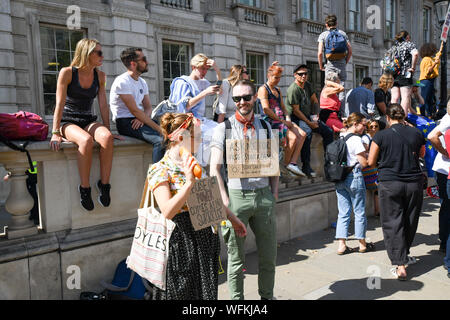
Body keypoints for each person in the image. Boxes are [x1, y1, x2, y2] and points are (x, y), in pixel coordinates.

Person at [146, 112, 246, 300]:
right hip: (180, 243)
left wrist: (234, 219)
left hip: (203, 240)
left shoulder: (195, 164)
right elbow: (167, 211)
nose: (201, 142)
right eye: (198, 137)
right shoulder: (160, 169)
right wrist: (188, 183)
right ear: (182, 137)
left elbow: (210, 199)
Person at [210, 79, 279, 300]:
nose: (242, 102)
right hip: (236, 197)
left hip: (263, 196)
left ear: (254, 98)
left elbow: (274, 163)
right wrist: (225, 200)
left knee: (268, 256)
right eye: (237, 98)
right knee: (235, 258)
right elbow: (214, 168)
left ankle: (266, 297)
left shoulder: (266, 126)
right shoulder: (224, 128)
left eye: (246, 97)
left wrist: (274, 193)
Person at [51, 38, 115, 211]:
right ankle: (85, 188)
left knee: (107, 138)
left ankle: (104, 185)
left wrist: (107, 128)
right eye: (99, 53)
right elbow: (59, 103)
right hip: (68, 121)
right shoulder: (67, 72)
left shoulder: (100, 76)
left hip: (87, 119)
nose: (102, 56)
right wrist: (55, 131)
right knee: (86, 141)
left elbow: (103, 104)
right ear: (87, 53)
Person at [368, 104, 426, 281]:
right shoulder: (416, 133)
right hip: (413, 183)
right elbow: (422, 154)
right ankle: (405, 253)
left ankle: (400, 264)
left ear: (387, 118)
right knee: (410, 219)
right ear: (404, 116)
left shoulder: (381, 135)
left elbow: (370, 161)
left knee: (393, 222)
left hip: (390, 182)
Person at [110, 47, 165, 163]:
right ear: (133, 64)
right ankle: (156, 178)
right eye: (144, 59)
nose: (147, 62)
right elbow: (134, 111)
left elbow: (148, 108)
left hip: (140, 119)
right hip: (126, 122)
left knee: (173, 133)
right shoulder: (122, 82)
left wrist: (143, 118)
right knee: (160, 140)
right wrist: (159, 129)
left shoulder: (142, 82)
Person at [169, 53, 222, 166]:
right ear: (194, 67)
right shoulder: (182, 82)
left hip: (199, 120)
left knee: (221, 130)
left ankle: (211, 167)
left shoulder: (203, 82)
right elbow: (183, 107)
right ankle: (201, 166)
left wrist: (217, 70)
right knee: (207, 136)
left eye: (207, 69)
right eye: (202, 69)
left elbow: (220, 90)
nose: (205, 72)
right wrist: (205, 92)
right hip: (186, 122)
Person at [334, 113, 374, 255]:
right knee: (359, 211)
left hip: (339, 177)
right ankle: (362, 244)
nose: (365, 127)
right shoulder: (356, 140)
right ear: (355, 124)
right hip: (354, 176)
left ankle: (341, 245)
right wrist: (368, 157)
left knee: (343, 212)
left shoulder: (341, 136)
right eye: (364, 124)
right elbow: (363, 163)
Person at [285, 64, 334, 177]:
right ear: (295, 75)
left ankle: (330, 162)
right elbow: (296, 111)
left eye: (306, 74)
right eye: (300, 74)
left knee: (328, 132)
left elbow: (315, 101)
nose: (304, 76)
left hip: (308, 116)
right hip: (295, 118)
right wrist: (309, 123)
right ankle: (306, 166)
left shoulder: (308, 85)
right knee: (307, 133)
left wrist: (316, 117)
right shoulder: (293, 89)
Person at [258, 62, 306, 176]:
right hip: (271, 121)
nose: (278, 80)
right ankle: (285, 166)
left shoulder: (278, 90)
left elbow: (283, 107)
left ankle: (292, 163)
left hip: (281, 120)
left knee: (303, 134)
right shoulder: (263, 89)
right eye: (276, 77)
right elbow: (266, 110)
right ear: (269, 76)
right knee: (293, 138)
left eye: (279, 77)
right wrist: (282, 121)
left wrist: (287, 118)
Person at [427, 101, 450, 255]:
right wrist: (445, 152)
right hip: (444, 169)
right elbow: (431, 136)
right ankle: (444, 241)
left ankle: (444, 241)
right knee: (446, 207)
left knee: (446, 206)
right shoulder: (448, 119)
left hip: (443, 169)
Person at [317, 14, 352, 103]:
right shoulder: (343, 34)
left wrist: (321, 66)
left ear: (326, 25)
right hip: (342, 64)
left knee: (329, 88)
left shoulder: (323, 35)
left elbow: (320, 53)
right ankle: (342, 113)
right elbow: (350, 51)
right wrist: (345, 62)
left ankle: (331, 111)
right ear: (336, 23)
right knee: (342, 88)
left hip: (330, 64)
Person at [389, 31, 419, 117]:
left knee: (394, 97)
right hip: (405, 74)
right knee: (405, 96)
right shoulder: (409, 45)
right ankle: (402, 118)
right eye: (409, 37)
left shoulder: (394, 47)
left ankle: (392, 116)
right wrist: (413, 67)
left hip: (394, 74)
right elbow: (415, 54)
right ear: (407, 37)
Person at [362, 119, 380, 217]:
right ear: (367, 128)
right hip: (369, 168)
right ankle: (378, 211)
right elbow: (364, 153)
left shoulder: (378, 136)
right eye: (371, 126)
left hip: (376, 167)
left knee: (378, 190)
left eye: (376, 126)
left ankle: (378, 211)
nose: (374, 128)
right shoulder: (366, 138)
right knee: (379, 188)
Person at [419, 42, 443, 117]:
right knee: (425, 99)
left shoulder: (430, 59)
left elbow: (437, 56)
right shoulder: (426, 59)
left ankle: (429, 115)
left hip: (429, 81)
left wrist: (442, 46)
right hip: (426, 81)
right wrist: (434, 64)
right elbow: (427, 72)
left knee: (429, 99)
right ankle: (424, 115)